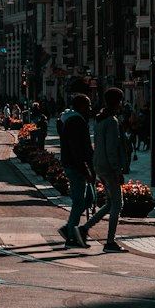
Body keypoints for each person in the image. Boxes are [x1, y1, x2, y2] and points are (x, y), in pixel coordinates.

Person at [77, 87, 129, 252]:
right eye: (120, 101)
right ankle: (110, 242)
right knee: (117, 205)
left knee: (109, 203)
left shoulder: (99, 119)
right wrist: (117, 170)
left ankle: (84, 229)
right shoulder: (111, 121)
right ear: (117, 102)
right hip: (108, 167)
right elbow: (111, 149)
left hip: (99, 164)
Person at [57, 91, 95, 248]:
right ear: (81, 106)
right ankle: (71, 237)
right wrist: (86, 170)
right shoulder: (76, 123)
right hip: (75, 167)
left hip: (74, 165)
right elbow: (78, 150)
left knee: (87, 199)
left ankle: (69, 228)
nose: (90, 108)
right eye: (88, 105)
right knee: (79, 202)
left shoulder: (75, 121)